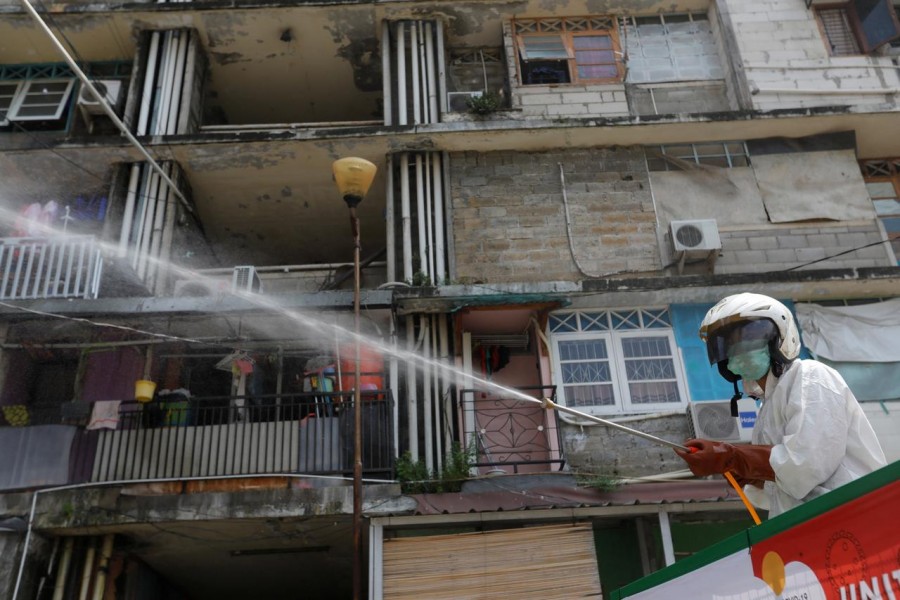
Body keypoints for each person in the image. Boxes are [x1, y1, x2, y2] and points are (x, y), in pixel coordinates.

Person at [675, 292, 886, 518]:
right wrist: (749, 473)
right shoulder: (765, 412)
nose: (739, 351)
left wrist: (734, 457)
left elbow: (805, 467)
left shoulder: (810, 376)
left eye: (749, 338)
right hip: (807, 528)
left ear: (779, 338)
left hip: (856, 518)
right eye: (731, 346)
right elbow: (781, 489)